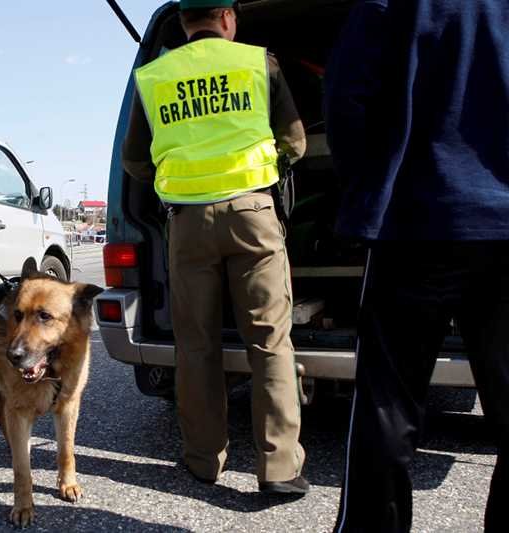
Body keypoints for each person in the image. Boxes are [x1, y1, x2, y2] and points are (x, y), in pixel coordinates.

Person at [325, 0, 509, 531]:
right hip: (504, 229)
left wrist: (370, 191)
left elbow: (346, 99)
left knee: (388, 403)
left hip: (413, 226)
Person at [123, 0, 310, 494]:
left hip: (186, 222)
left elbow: (134, 161)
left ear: (184, 22)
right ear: (227, 17)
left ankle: (204, 460)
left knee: (196, 345)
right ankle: (280, 469)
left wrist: (178, 178)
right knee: (269, 342)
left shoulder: (154, 75)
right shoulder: (257, 62)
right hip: (252, 215)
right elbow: (295, 142)